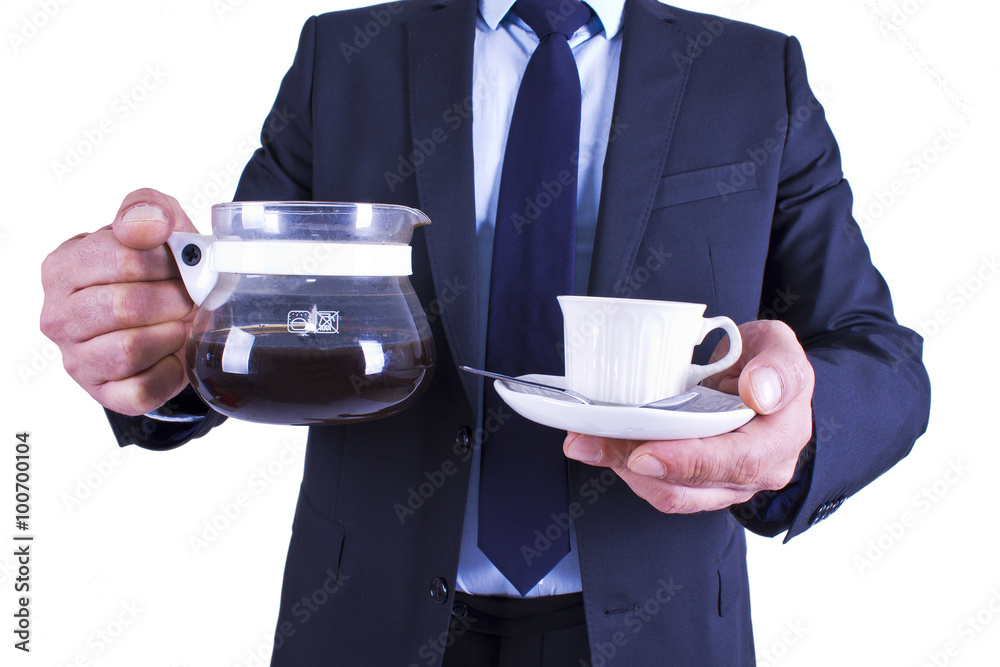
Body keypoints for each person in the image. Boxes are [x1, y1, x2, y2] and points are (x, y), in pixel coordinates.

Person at [39, 0, 931, 665]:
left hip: (660, 629)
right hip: (369, 622)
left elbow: (878, 352)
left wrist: (803, 425)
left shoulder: (754, 73)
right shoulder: (345, 57)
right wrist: (150, 333)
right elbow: (242, 305)